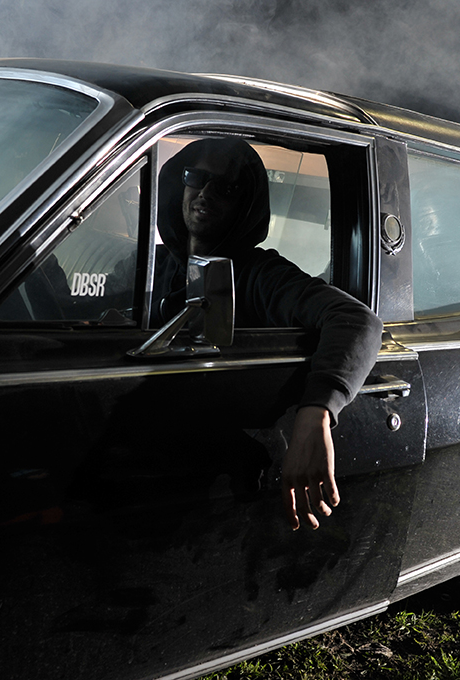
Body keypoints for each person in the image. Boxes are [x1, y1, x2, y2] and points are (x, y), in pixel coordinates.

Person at [151, 137, 383, 531]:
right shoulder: (154, 263)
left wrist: (316, 413)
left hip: (221, 486)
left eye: (225, 187)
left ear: (246, 203)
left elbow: (355, 319)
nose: (205, 192)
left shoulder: (259, 274)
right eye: (196, 177)